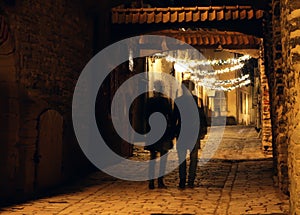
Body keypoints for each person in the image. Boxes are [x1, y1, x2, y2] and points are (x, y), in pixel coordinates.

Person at [173, 80, 207, 189]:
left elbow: (175, 119)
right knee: (193, 158)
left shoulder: (178, 101)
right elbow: (202, 117)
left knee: (182, 159)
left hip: (183, 132)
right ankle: (190, 180)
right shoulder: (197, 101)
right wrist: (203, 130)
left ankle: (183, 180)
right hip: (192, 132)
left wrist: (173, 132)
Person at [144, 80, 174, 189]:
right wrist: (171, 132)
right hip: (163, 132)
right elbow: (170, 116)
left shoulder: (149, 101)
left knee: (152, 158)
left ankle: (151, 182)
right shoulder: (165, 102)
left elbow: (145, 116)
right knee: (162, 158)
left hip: (153, 132)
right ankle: (160, 181)